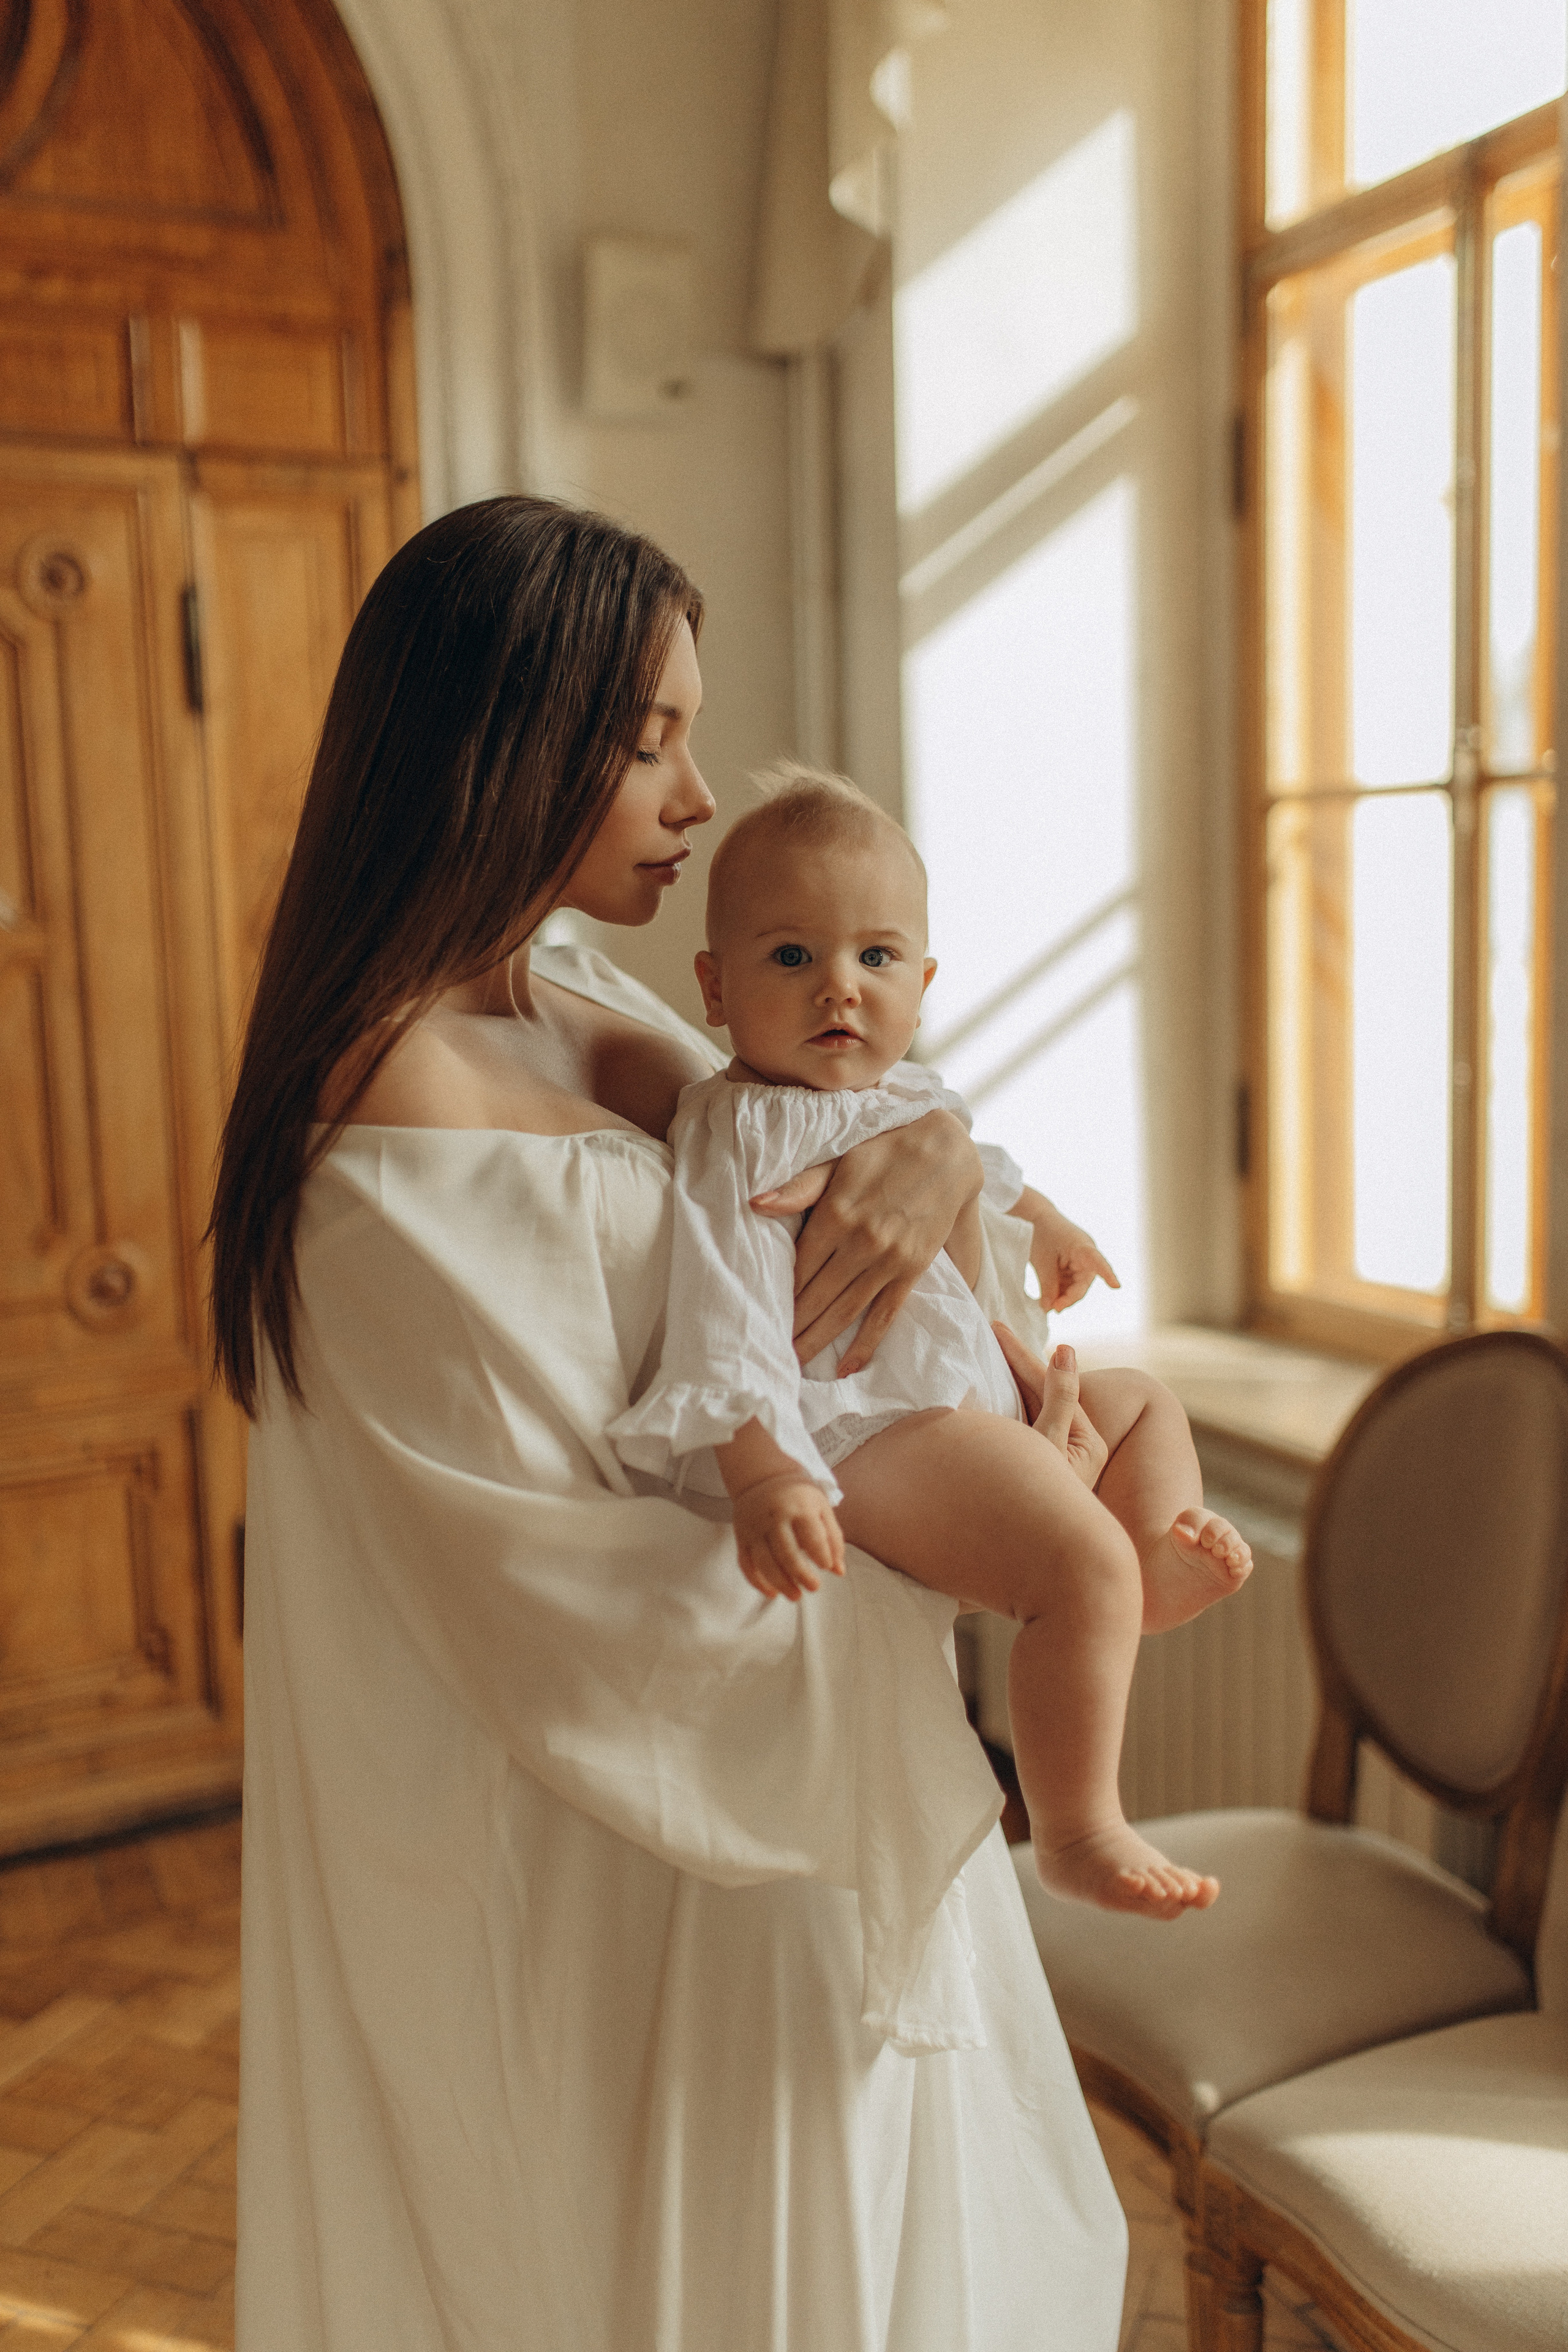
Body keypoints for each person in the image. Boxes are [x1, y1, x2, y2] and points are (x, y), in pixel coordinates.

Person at [211, 496, 1128, 2350]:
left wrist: (944, 1147)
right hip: (647, 1861)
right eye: (648, 743)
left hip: (774, 1824)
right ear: (502, 740)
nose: (696, 799)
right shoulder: (398, 1121)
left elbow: (813, 1121)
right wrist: (984, 1561)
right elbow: (565, 1578)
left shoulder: (554, 992)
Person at [610, 768, 1250, 1921]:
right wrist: (766, 1475)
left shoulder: (910, 1096)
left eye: (878, 958)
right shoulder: (736, 1125)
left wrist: (1047, 1224)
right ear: (714, 986)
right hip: (866, 1430)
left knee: (1142, 1397)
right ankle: (1076, 1826)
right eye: (792, 958)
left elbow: (990, 1177)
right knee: (1075, 1567)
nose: (839, 990)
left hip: (969, 1405)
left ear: (925, 981)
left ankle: (1144, 1558)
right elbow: (725, 1310)